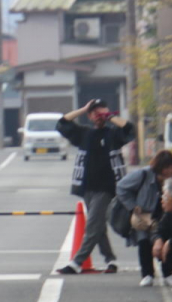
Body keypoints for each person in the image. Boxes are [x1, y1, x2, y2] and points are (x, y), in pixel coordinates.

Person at [55, 99, 135, 275]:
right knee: (98, 226)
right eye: (94, 113)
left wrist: (110, 116)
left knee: (92, 225)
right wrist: (83, 109)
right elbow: (62, 124)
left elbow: (130, 130)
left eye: (101, 113)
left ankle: (77, 262)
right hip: (86, 187)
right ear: (89, 116)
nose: (98, 116)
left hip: (107, 187)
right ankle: (110, 260)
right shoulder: (84, 133)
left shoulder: (113, 134)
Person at [115, 149, 172, 287]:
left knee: (165, 242)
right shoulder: (143, 174)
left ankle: (168, 273)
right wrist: (132, 205)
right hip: (144, 215)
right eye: (167, 167)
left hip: (165, 217)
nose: (170, 171)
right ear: (160, 167)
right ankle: (147, 275)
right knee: (144, 243)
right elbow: (121, 187)